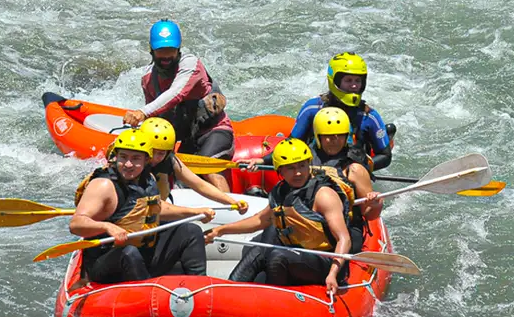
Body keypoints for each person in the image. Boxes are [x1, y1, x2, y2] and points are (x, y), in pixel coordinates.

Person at [205, 139, 354, 299]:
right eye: (291, 168)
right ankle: (229, 294)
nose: (298, 173)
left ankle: (272, 302)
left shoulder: (323, 195)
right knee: (259, 249)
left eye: (302, 166)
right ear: (280, 171)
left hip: (325, 261)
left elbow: (344, 238)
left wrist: (333, 274)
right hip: (296, 253)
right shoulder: (281, 191)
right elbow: (259, 221)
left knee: (277, 256)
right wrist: (219, 231)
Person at [70, 128, 215, 284]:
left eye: (136, 158)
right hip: (107, 261)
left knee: (191, 231)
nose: (128, 164)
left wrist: (194, 212)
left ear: (147, 160)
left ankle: (199, 288)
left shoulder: (148, 178)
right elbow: (76, 224)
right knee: (129, 252)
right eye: (123, 157)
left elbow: (156, 208)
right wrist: (107, 227)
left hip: (144, 253)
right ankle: (146, 295)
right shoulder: (103, 185)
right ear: (115, 156)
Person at [123, 20, 234, 192]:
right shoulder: (148, 79)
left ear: (179, 49)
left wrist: (142, 112)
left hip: (214, 131)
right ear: (151, 50)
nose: (166, 56)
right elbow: (155, 120)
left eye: (171, 51)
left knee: (208, 167)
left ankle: (232, 210)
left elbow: (177, 93)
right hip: (187, 140)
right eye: (161, 51)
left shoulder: (190, 64)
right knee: (171, 171)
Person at [289, 52, 394, 171]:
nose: (354, 86)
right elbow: (290, 145)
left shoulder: (368, 117)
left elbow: (385, 156)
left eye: (358, 81)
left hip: (351, 172)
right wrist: (263, 161)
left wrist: (359, 169)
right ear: (335, 81)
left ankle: (387, 135)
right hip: (315, 168)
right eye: (348, 80)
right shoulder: (312, 109)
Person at [138, 117, 248, 216]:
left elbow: (199, 184)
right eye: (152, 152)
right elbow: (152, 206)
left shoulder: (169, 160)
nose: (156, 158)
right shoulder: (132, 166)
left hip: (155, 216)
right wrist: (196, 212)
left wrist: (231, 201)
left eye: (161, 153)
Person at [310, 107, 384, 251]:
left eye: (340, 135)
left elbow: (369, 215)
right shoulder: (306, 159)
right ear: (318, 137)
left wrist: (376, 204)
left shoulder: (354, 168)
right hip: (312, 221)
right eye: (329, 136)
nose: (334, 141)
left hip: (347, 225)